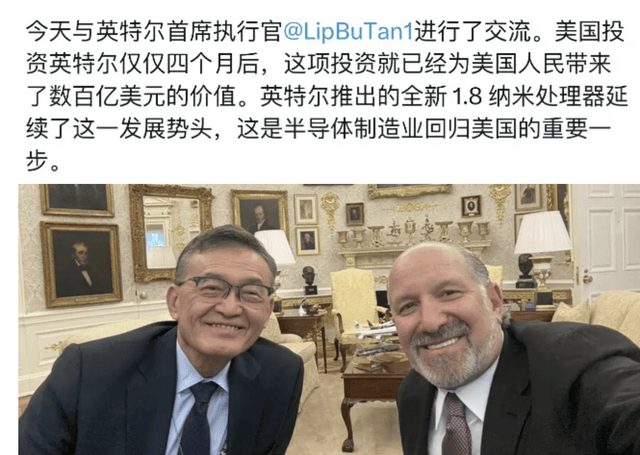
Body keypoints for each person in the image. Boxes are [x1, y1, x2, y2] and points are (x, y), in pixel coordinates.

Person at [20, 225, 304, 455]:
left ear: (267, 310)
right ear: (174, 302)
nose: (230, 309)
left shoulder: (282, 373)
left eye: (252, 293)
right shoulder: (88, 371)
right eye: (211, 288)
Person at [388, 242, 640, 455]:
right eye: (408, 306)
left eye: (449, 293)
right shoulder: (414, 392)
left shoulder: (578, 363)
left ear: (494, 302)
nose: (430, 323)